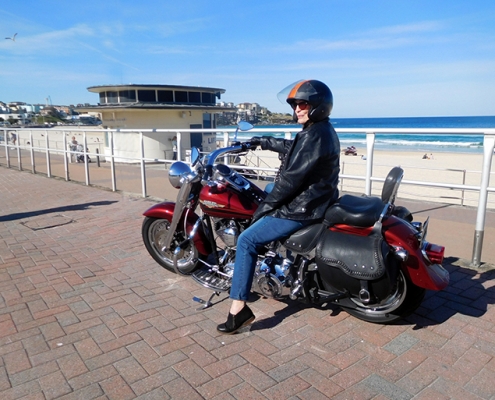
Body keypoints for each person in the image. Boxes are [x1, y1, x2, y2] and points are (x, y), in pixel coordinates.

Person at [217, 80, 341, 334]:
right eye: (295, 105)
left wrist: (263, 209)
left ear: (318, 106)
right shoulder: (318, 131)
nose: (297, 109)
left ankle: (238, 310)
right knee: (269, 192)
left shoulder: (314, 135)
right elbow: (295, 150)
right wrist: (264, 141)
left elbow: (290, 181)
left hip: (304, 207)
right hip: (316, 198)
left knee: (247, 240)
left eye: (302, 104)